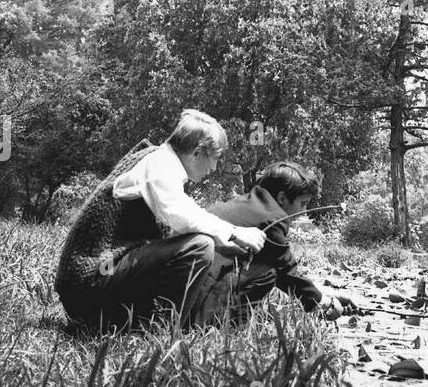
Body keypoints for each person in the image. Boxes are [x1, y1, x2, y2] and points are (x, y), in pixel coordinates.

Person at [54, 109, 267, 331]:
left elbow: (177, 227)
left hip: (99, 282)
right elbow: (180, 215)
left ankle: (157, 325)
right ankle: (162, 333)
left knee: (203, 245)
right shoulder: (161, 162)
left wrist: (224, 242)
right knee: (200, 246)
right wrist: (233, 232)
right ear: (197, 152)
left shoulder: (162, 165)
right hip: (88, 286)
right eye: (215, 158)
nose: (213, 168)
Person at [203, 161, 360, 321]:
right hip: (201, 302)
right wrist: (327, 304)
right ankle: (230, 325)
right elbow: (287, 273)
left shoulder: (249, 205)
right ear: (282, 198)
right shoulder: (271, 219)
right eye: (303, 204)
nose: (303, 211)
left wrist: (323, 296)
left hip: (190, 290)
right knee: (268, 272)